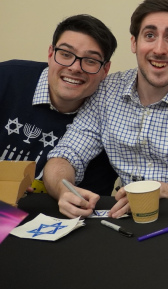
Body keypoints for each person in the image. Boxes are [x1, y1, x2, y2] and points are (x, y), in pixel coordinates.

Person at [44, 0, 168, 218]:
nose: (159, 49)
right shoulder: (106, 92)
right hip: (125, 219)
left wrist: (162, 192)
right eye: (149, 35)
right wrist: (64, 190)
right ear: (134, 43)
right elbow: (65, 155)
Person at [0, 15, 118, 196]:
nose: (75, 68)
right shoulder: (7, 77)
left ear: (105, 70)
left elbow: (86, 200)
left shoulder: (105, 125)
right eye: (65, 54)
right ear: (50, 54)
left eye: (90, 61)